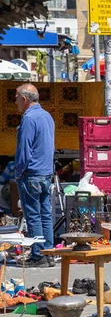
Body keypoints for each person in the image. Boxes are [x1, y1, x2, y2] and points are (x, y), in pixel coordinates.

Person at [14, 84, 56, 268]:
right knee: (45, 214)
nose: (15, 102)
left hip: (32, 174)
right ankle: (48, 252)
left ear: (24, 99)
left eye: (16, 98)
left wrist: (18, 172)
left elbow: (24, 150)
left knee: (33, 216)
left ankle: (38, 255)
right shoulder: (46, 116)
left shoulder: (29, 118)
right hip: (45, 173)